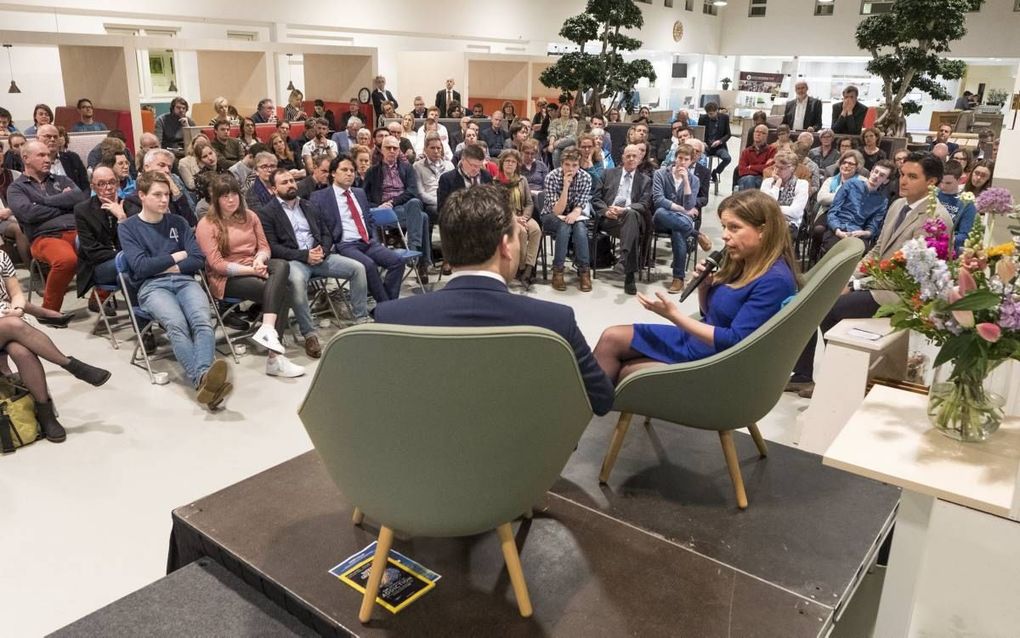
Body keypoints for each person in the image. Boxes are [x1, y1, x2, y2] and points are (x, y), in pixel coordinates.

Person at [374, 183, 613, 415]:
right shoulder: (556, 321)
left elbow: (380, 403)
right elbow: (601, 399)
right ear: (505, 247)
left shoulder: (392, 318)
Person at [788, 152, 951, 397]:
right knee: (812, 298)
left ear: (932, 182)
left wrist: (856, 286)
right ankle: (804, 375)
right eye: (903, 175)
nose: (903, 181)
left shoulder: (936, 219)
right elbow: (877, 249)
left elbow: (908, 274)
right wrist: (850, 276)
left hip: (900, 294)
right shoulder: (898, 205)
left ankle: (836, 379)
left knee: (828, 308)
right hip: (878, 282)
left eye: (912, 176)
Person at [594, 189, 799, 383]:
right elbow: (709, 313)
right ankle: (586, 406)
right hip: (699, 341)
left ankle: (585, 409)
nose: (725, 235)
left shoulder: (775, 281)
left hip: (715, 358)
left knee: (620, 357)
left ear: (763, 230)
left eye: (734, 228)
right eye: (724, 227)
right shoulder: (744, 260)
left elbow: (734, 341)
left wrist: (674, 316)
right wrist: (705, 287)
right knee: (612, 337)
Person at [119, 171, 232, 407]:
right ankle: (204, 379)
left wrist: (164, 265)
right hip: (151, 287)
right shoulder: (128, 228)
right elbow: (140, 268)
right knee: (177, 323)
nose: (164, 200)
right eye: (157, 195)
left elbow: (197, 260)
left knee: (202, 319)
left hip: (185, 281)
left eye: (167, 195)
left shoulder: (178, 223)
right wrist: (176, 256)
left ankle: (202, 379)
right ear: (142, 196)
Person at [196, 174, 303, 382]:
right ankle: (274, 358)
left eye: (234, 194)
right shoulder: (206, 224)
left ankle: (267, 329)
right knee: (284, 291)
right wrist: (252, 271)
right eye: (225, 196)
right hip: (226, 278)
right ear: (216, 199)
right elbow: (217, 265)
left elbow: (264, 246)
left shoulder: (250, 216)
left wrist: (260, 260)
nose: (231, 200)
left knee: (281, 265)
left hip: (254, 265)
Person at [0, 246, 110, 442]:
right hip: (8, 323)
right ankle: (69, 364)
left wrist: (17, 307)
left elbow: (16, 293)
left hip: (7, 318)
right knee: (14, 325)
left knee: (23, 352)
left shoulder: (1, 256)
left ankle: (45, 414)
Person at [259, 169, 369, 358]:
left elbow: (327, 233)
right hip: (295, 261)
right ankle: (310, 334)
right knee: (296, 282)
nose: (291, 184)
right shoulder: (267, 213)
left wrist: (323, 251)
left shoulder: (309, 206)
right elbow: (274, 248)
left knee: (358, 268)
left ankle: (362, 319)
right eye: (284, 182)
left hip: (320, 256)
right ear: (274, 189)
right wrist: (305, 255)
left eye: (292, 180)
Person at [8, 140, 88, 317]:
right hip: (46, 237)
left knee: (106, 252)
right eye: (41, 155)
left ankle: (99, 299)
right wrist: (64, 203)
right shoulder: (16, 188)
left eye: (49, 155)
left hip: (78, 231)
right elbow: (28, 214)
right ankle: (48, 312)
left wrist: (43, 202)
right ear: (26, 158)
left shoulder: (61, 179)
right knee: (66, 260)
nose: (48, 159)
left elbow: (80, 199)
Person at [314, 155, 404, 303]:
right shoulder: (320, 197)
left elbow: (368, 219)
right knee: (368, 265)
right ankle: (387, 306)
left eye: (352, 170)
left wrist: (373, 238)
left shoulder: (359, 193)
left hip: (367, 241)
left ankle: (386, 305)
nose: (349, 173)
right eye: (344, 169)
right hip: (345, 244)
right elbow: (319, 226)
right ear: (333, 173)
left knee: (397, 261)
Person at [363, 136, 430, 280]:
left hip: (402, 207)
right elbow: (364, 198)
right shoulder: (372, 172)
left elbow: (412, 191)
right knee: (423, 217)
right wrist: (380, 206)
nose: (392, 151)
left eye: (395, 148)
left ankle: (412, 247)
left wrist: (393, 202)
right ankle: (421, 262)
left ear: (399, 150)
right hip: (383, 210)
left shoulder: (407, 168)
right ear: (381, 150)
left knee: (414, 203)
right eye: (388, 148)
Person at [652, 143, 712, 294]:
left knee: (678, 232)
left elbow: (690, 203)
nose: (682, 162)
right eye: (680, 158)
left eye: (686, 159)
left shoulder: (694, 180)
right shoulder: (660, 174)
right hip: (663, 219)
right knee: (659, 212)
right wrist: (683, 210)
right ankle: (696, 234)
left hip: (680, 221)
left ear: (692, 161)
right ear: (675, 158)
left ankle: (678, 278)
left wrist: (686, 181)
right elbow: (659, 200)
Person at [593, 144, 651, 296]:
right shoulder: (608, 173)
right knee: (630, 231)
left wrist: (625, 209)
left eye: (635, 156)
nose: (631, 159)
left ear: (639, 159)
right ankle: (628, 270)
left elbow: (644, 204)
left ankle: (625, 262)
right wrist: (606, 211)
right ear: (623, 158)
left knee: (630, 216)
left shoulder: (645, 180)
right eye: (628, 156)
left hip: (632, 217)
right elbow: (596, 198)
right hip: (610, 219)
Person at [74, 166, 124, 313]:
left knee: (131, 272)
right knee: (133, 262)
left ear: (118, 184)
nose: (108, 188)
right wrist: (123, 255)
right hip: (98, 266)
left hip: (126, 262)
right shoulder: (83, 210)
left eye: (112, 182)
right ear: (93, 187)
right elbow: (92, 252)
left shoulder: (128, 205)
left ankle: (142, 317)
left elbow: (135, 242)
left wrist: (122, 218)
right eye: (101, 184)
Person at [542, 147, 592, 292]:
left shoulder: (585, 178)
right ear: (562, 164)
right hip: (551, 216)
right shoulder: (552, 177)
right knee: (564, 226)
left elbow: (580, 207)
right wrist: (565, 187)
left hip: (574, 215)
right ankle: (558, 270)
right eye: (567, 165)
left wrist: (575, 214)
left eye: (574, 165)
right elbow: (557, 210)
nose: (571, 168)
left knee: (581, 228)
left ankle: (584, 271)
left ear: (579, 164)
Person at [820, 160, 894, 257]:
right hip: (837, 229)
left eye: (882, 175)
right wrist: (838, 230)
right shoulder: (851, 184)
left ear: (886, 180)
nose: (876, 176)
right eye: (876, 172)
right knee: (835, 252)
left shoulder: (882, 201)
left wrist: (863, 233)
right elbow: (833, 211)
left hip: (858, 234)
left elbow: (873, 227)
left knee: (861, 254)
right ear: (871, 172)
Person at [495, 149, 540, 288]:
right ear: (502, 163)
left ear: (517, 165)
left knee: (536, 230)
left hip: (523, 216)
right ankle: (520, 268)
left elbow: (529, 202)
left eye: (513, 162)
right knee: (522, 232)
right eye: (507, 161)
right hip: (506, 217)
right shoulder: (496, 181)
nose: (510, 164)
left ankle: (528, 268)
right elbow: (498, 205)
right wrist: (515, 218)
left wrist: (524, 218)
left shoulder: (522, 180)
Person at [759, 149, 809, 241]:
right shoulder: (767, 182)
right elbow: (763, 207)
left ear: (792, 168)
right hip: (766, 220)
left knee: (776, 234)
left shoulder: (802, 184)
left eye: (782, 168)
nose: (777, 170)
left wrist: (772, 209)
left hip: (789, 223)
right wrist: (777, 185)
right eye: (776, 166)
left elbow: (795, 212)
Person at [936, 159, 977, 254]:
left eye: (948, 183)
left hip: (949, 248)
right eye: (941, 182)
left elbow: (964, 235)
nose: (942, 186)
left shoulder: (966, 202)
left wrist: (943, 239)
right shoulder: (934, 194)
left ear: (959, 180)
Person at [413, 132, 454, 222]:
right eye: (432, 148)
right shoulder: (417, 166)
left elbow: (455, 189)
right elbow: (421, 194)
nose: (436, 151)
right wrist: (440, 202)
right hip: (430, 203)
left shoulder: (449, 165)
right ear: (425, 149)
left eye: (438, 148)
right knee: (441, 212)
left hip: (449, 202)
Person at [697, 102, 732, 184]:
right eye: (708, 114)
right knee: (700, 159)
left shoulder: (724, 118)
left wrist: (720, 141)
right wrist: (702, 142)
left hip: (719, 146)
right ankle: (702, 177)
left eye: (712, 114)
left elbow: (728, 134)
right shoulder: (703, 118)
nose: (710, 116)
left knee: (727, 158)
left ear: (717, 111)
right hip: (705, 146)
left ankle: (715, 172)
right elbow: (699, 132)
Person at [737, 124, 775, 191]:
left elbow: (769, 168)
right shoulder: (746, 151)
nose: (758, 134)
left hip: (763, 179)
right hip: (745, 179)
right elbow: (742, 171)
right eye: (756, 131)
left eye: (762, 133)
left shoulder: (772, 150)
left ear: (766, 136)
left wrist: (751, 167)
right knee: (749, 179)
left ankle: (750, 201)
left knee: (751, 181)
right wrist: (760, 168)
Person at [547, 103, 579, 168]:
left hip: (569, 144)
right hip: (557, 146)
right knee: (556, 152)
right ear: (560, 110)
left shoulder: (574, 121)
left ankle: (556, 145)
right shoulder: (555, 121)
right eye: (563, 109)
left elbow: (572, 135)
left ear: (570, 112)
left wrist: (558, 142)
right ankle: (558, 171)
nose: (565, 111)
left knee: (572, 138)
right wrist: (551, 144)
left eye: (567, 109)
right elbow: (552, 134)